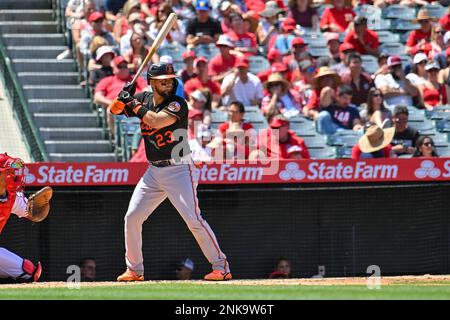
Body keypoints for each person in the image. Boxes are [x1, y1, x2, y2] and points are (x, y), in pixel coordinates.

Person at [109, 62, 232, 281]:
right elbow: (114, 110)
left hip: (179, 168)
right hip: (154, 171)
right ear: (152, 83)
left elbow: (155, 122)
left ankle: (221, 267)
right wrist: (122, 97)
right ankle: (135, 270)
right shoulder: (143, 99)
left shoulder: (178, 103)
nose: (168, 84)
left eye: (170, 80)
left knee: (193, 219)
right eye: (162, 81)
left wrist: (132, 103)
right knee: (132, 217)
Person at [0, 154, 44, 283]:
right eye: (9, 171)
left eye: (13, 171)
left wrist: (39, 209)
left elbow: (33, 213)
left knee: (29, 271)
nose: (13, 175)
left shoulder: (12, 197)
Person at [94, 55, 147, 134]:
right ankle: (117, 139)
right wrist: (113, 103)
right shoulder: (107, 80)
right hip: (117, 108)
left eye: (125, 66)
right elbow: (97, 97)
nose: (123, 69)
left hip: (135, 107)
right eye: (119, 66)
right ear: (113, 69)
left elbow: (146, 92)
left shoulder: (136, 79)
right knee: (110, 110)